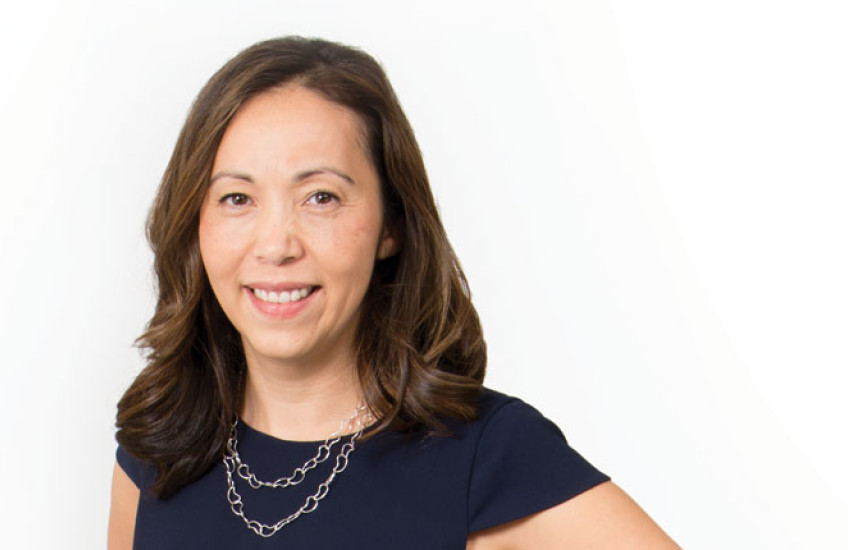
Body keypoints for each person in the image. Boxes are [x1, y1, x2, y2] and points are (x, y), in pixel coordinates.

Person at [108, 36, 679, 549]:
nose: (276, 245)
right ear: (195, 222)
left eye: (321, 198)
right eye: (237, 199)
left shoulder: (487, 457)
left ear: (391, 225)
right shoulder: (158, 445)